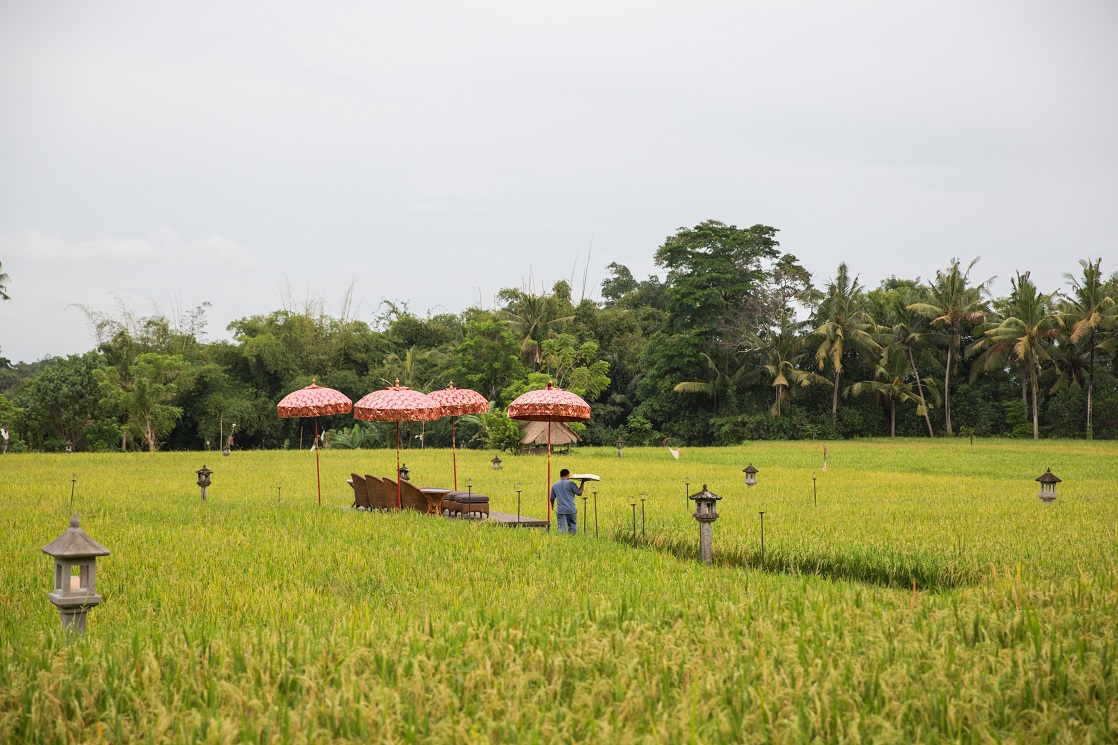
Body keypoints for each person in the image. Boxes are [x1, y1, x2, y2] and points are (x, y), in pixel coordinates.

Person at [550, 468, 582, 535]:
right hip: (571, 509)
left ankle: (562, 541)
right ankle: (572, 539)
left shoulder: (555, 485)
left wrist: (552, 505)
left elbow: (552, 498)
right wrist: (583, 482)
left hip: (561, 510)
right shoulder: (571, 484)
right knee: (572, 526)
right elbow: (579, 493)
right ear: (567, 475)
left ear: (560, 476)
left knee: (561, 528)